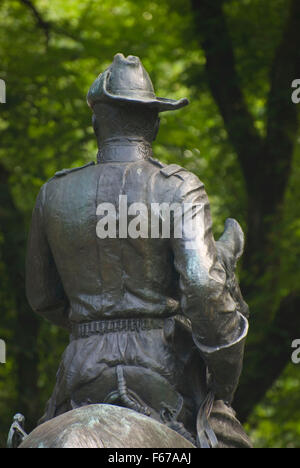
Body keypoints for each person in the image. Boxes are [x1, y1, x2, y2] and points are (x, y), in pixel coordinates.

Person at [26, 53, 252, 448]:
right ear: (154, 122)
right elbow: (203, 287)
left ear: (97, 121)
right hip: (165, 369)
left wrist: (95, 325)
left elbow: (43, 298)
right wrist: (224, 376)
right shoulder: (179, 188)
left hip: (80, 369)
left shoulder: (54, 194)